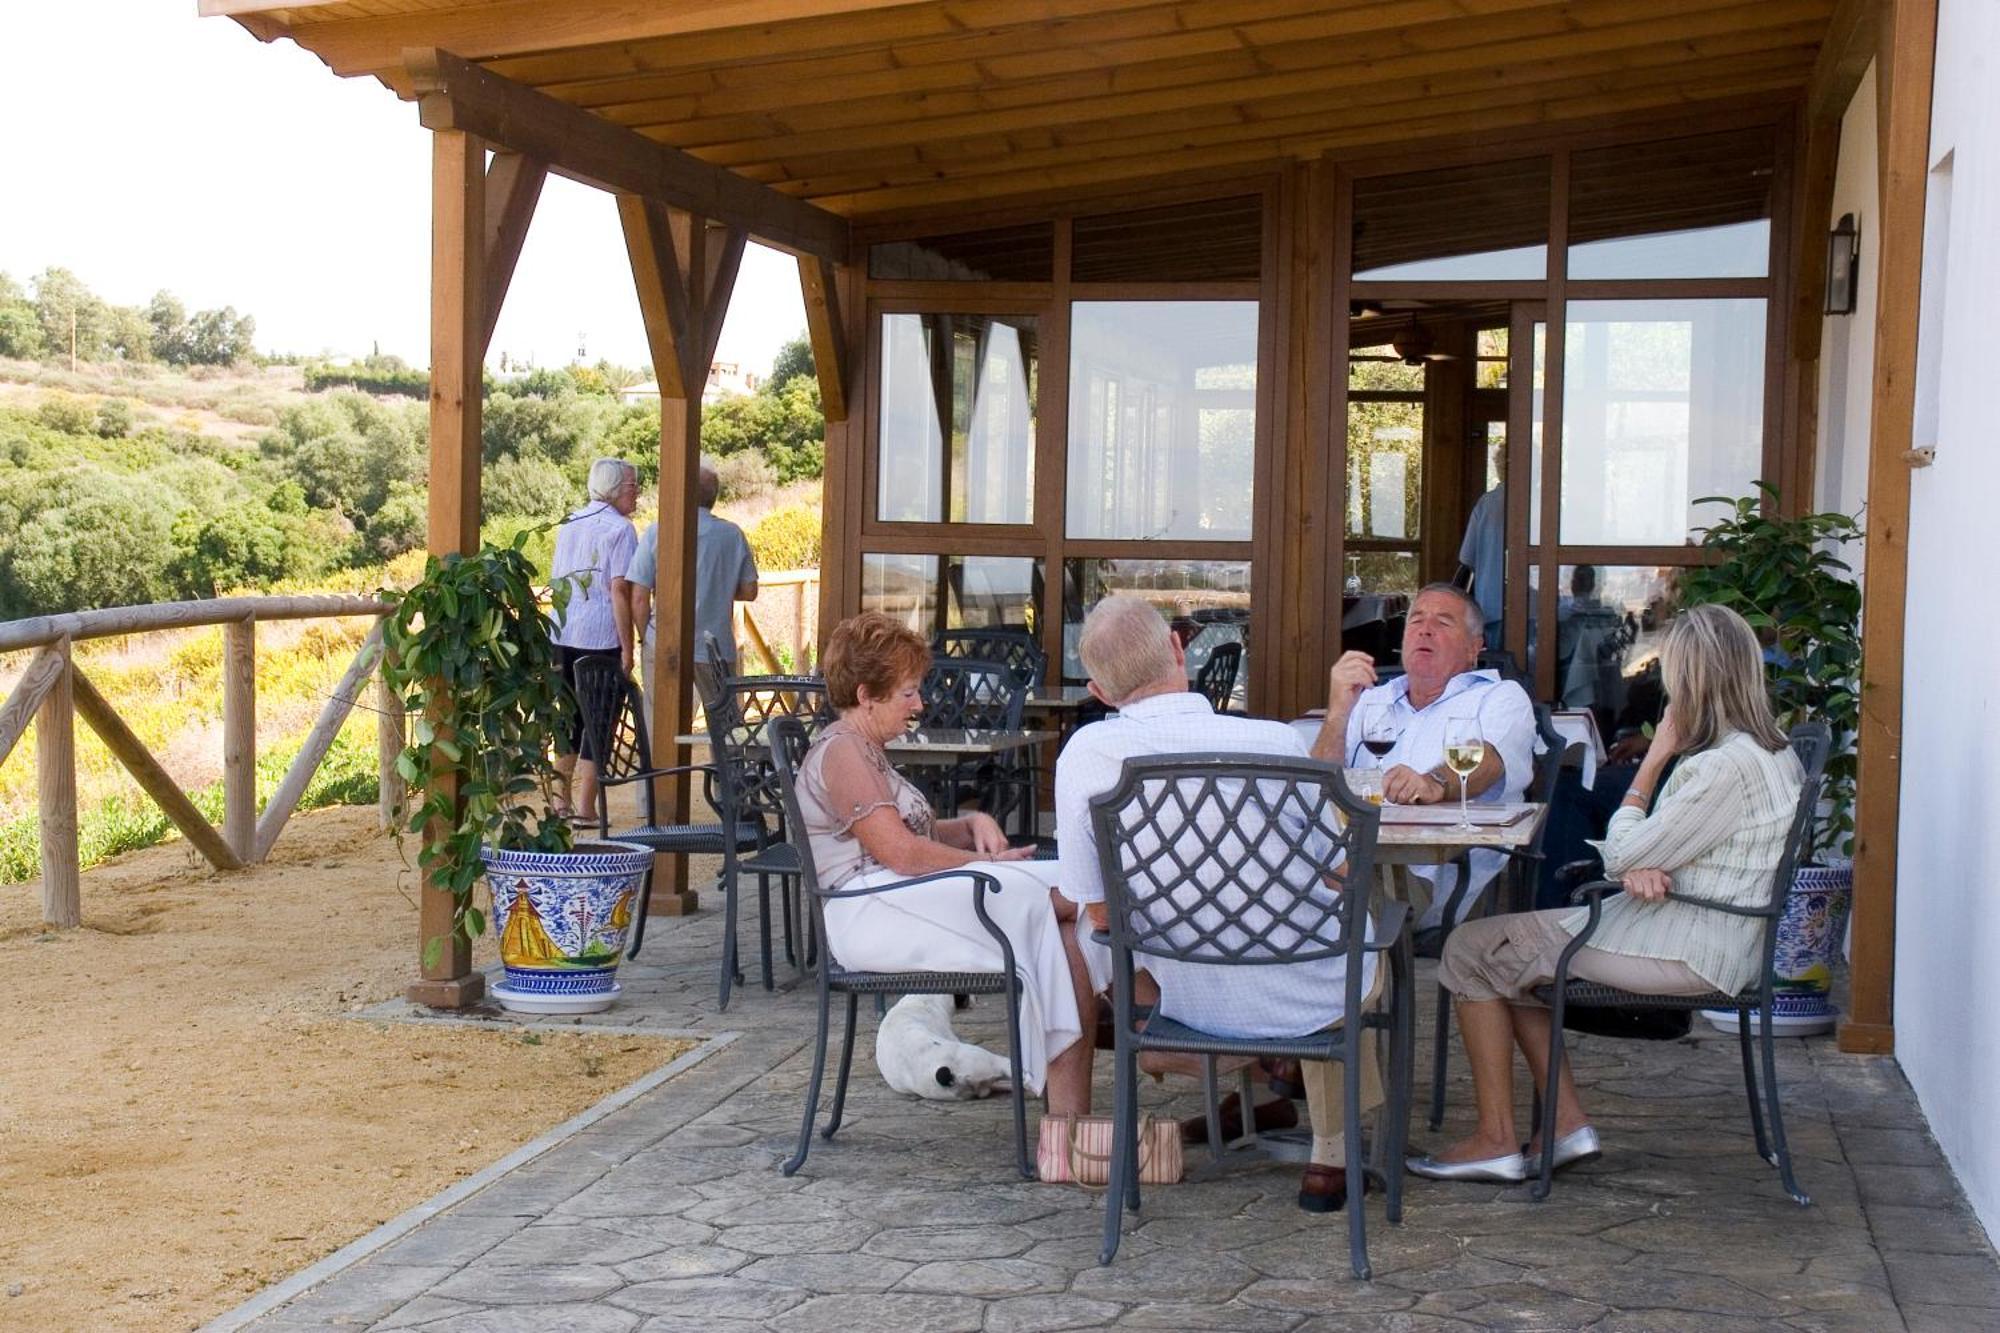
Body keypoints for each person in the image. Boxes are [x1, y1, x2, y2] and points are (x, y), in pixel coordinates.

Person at [1407, 603, 1804, 1183]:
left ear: (1691, 678)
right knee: (1504, 954)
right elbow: (1668, 851)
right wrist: (1645, 865)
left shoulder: (1721, 767)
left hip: (1691, 948)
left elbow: (1623, 852)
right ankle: (1565, 1125)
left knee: (1471, 949)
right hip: (1696, 924)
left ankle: (1496, 1139)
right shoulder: (1771, 752)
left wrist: (1655, 761)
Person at [1057, 595, 1382, 1214]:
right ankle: (1333, 1153)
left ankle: (1266, 1086)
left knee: (1096, 938)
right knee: (1362, 934)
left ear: (1099, 691)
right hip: (1301, 986)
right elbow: (1334, 867)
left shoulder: (1085, 756)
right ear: (1179, 649)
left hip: (1181, 999)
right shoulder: (1275, 742)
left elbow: (1094, 910)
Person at [792, 613, 1096, 1115]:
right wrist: (986, 867)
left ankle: (1066, 1115)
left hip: (894, 895)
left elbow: (909, 838)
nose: (920, 703)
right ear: (867, 695)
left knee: (1064, 920)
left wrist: (970, 822)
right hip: (869, 912)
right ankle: (1150, 1016)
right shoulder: (844, 752)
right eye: (908, 693)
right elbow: (902, 852)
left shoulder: (866, 749)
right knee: (1065, 892)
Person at [1310, 582, 1537, 932]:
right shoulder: (1372, 699)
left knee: (1300, 890)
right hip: (1352, 862)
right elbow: (1314, 785)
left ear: (1474, 647)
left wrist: (1433, 783)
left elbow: (1489, 761)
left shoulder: (1499, 697)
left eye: (1444, 623)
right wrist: (1338, 711)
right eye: (1416, 620)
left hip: (1433, 878)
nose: (1425, 629)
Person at [549, 458, 639, 821]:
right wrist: (628, 647)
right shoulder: (621, 529)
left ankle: (559, 804)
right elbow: (619, 590)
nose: (637, 494)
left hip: (563, 630)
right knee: (599, 721)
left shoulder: (570, 522)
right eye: (633, 487)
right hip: (600, 637)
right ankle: (586, 808)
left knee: (567, 719)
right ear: (616, 490)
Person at [627, 460, 758, 709]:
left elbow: (639, 597)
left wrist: (647, 639)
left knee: (661, 726)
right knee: (724, 728)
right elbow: (750, 591)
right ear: (713, 497)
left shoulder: (658, 532)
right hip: (716, 646)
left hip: (664, 643)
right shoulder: (733, 534)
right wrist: (719, 586)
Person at [1455, 477, 1505, 646]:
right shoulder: (1539, 503)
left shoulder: (1487, 504)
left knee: (1496, 661)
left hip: (1491, 601)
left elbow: (1466, 557)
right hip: (1532, 603)